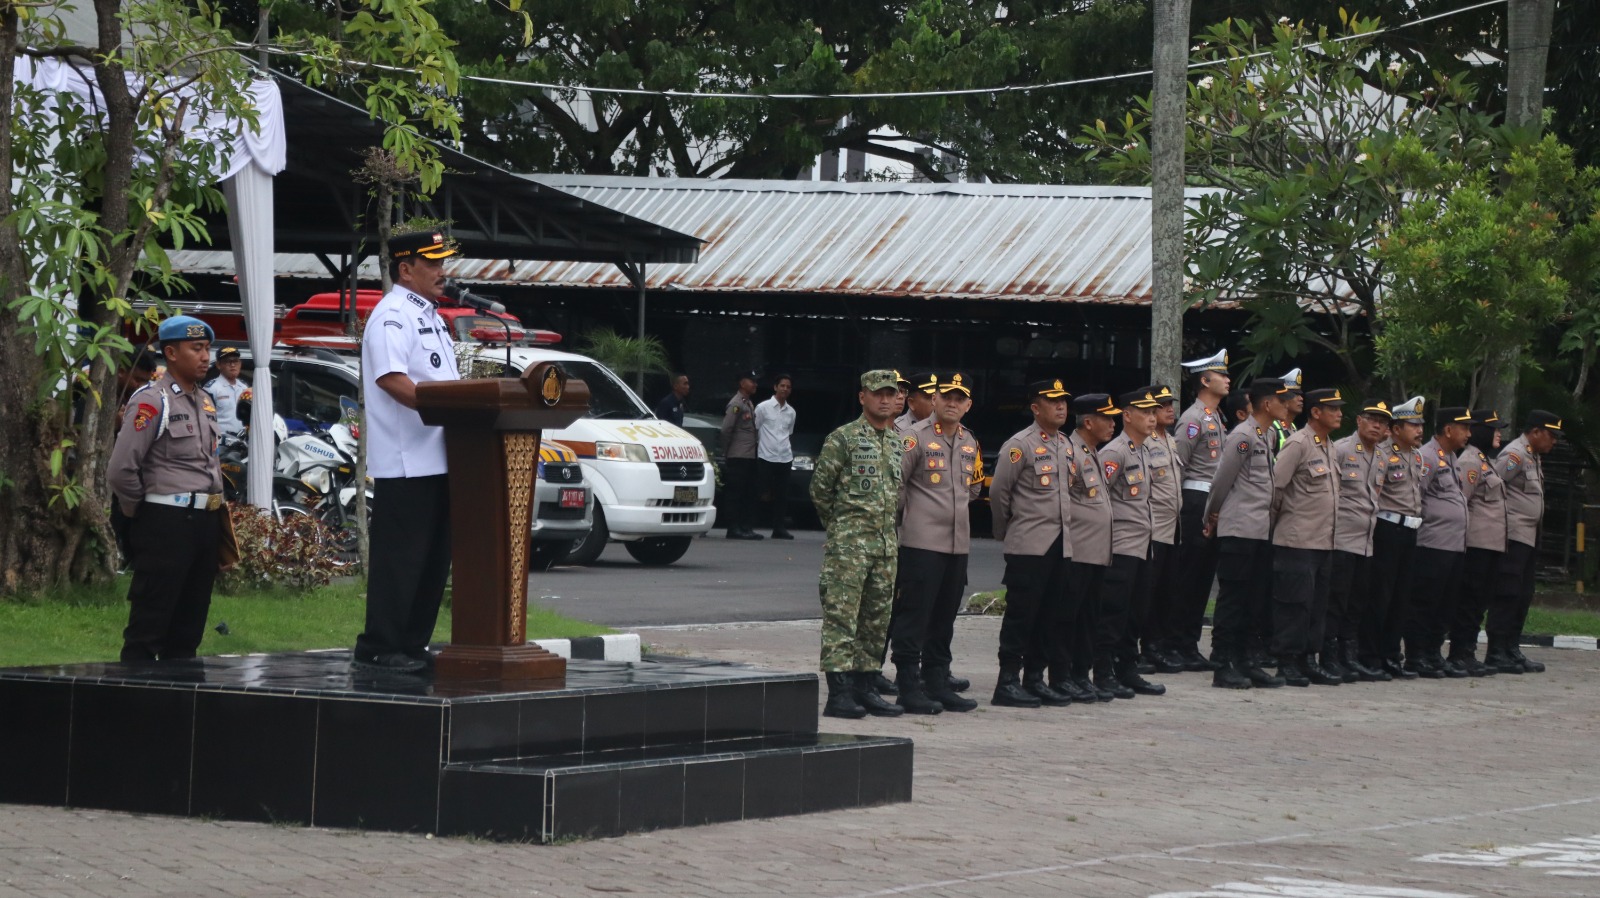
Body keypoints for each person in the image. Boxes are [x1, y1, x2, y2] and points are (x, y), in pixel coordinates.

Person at [352, 231, 461, 674]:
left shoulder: (431, 316)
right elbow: (391, 379)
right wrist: (443, 409)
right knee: (401, 560)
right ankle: (380, 645)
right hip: (406, 462)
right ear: (405, 269)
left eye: (442, 262)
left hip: (440, 458)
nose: (442, 271)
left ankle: (412, 644)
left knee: (432, 561)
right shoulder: (392, 315)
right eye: (432, 263)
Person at [107, 315, 226, 662]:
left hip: (205, 522)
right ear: (171, 353)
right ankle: (134, 694)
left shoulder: (205, 401)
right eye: (196, 348)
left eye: (207, 349)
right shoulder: (153, 400)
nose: (205, 357)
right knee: (150, 624)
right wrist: (139, 510)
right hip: (166, 520)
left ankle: (179, 694)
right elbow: (121, 469)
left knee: (189, 629)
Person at [811, 370, 905, 719]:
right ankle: (839, 694)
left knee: (876, 621)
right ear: (863, 397)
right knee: (842, 619)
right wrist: (841, 530)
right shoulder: (843, 438)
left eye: (890, 394)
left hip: (885, 547)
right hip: (850, 548)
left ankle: (866, 688)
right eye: (877, 393)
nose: (885, 399)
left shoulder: (895, 441)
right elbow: (820, 490)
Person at [889, 372, 982, 714]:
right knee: (914, 616)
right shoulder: (914, 437)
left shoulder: (969, 440)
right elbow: (896, 486)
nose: (952, 403)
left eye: (960, 399)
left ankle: (938, 682)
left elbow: (973, 488)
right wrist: (907, 522)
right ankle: (908, 686)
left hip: (957, 545)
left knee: (944, 619)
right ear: (935, 399)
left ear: (968, 405)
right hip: (921, 544)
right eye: (947, 397)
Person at [989, 379, 1075, 708]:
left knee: (1050, 615)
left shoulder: (1066, 444)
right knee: (1021, 616)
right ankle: (1008, 680)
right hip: (1029, 545)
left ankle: (1035, 678)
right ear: (1036, 408)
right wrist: (1007, 531)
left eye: (1063, 401)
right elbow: (999, 492)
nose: (1061, 406)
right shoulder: (1020, 445)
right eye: (1053, 401)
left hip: (1061, 545)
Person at [1204, 377, 1286, 689]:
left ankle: (1246, 660)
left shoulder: (1266, 435)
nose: (1287, 405)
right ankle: (1222, 663)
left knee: (1254, 599)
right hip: (1239, 528)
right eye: (1282, 400)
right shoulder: (1243, 436)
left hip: (1260, 529)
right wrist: (1211, 515)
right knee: (1233, 599)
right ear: (1267, 403)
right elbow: (1221, 480)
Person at [1269, 387, 1345, 687]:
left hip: (1324, 541)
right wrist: (1278, 526)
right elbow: (1276, 488)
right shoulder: (1298, 443)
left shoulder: (1328, 446)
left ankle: (1307, 660)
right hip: (1296, 539)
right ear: (1316, 412)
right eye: (1333, 408)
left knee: (1317, 605)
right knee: (1294, 604)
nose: (1339, 414)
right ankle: (1287, 662)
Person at [1095, 389, 1166, 696]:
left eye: (1154, 412)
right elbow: (1097, 499)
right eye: (1145, 412)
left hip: (1143, 544)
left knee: (1136, 613)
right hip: (1120, 546)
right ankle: (1103, 672)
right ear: (1127, 416)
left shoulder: (1144, 450)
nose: (1152, 417)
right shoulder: (1115, 452)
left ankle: (1127, 668)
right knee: (1113, 612)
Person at [1166, 349, 1231, 672]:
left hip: (1212, 501)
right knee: (1188, 576)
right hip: (1194, 500)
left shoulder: (1217, 417)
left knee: (1203, 577)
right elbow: (1179, 465)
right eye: (1221, 374)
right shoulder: (1193, 419)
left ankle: (1188, 643)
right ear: (1204, 380)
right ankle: (1175, 642)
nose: (1228, 380)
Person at [1484, 410, 1562, 674]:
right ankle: (1496, 651)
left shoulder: (1533, 455)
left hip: (1529, 535)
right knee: (1507, 592)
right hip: (1513, 535)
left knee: (1523, 593)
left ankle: (1511, 648)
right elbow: (1492, 485)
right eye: (1551, 435)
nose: (1554, 441)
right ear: (1536, 432)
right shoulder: (1515, 454)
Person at [1361, 396, 1429, 680]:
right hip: (1387, 529)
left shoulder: (1417, 455)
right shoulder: (1382, 454)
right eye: (1413, 425)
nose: (1419, 430)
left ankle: (1390, 655)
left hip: (1410, 530)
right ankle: (1370, 656)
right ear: (1397, 429)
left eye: (1420, 425)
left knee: (1401, 597)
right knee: (1380, 595)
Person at [1324, 399, 1392, 682]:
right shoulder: (1340, 449)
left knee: (1356, 603)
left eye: (1382, 422)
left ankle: (1348, 657)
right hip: (1341, 539)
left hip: (1366, 541)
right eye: (1372, 419)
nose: (1377, 425)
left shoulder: (1382, 457)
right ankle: (1328, 657)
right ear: (1359, 421)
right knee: (1335, 602)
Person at [1404, 406, 1473, 679]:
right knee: (1425, 602)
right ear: (1448, 429)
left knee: (1445, 604)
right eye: (1464, 428)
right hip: (1432, 544)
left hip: (1453, 545)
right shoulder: (1428, 457)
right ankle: (1416, 656)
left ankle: (1433, 653)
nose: (1469, 433)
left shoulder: (1452, 457)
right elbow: (1415, 496)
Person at [1065, 393, 1121, 699]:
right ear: (1088, 422)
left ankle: (1080, 673)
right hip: (1078, 550)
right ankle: (1064, 675)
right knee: (1070, 617)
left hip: (1097, 552)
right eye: (1107, 418)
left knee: (1089, 617)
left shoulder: (1093, 452)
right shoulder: (1071, 452)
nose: (1113, 424)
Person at [1449, 409, 1508, 677]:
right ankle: (1460, 653)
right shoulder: (1470, 461)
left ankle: (1468, 651)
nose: (1499, 434)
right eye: (1494, 428)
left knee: (1479, 602)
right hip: (1475, 545)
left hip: (1490, 545)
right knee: (1469, 601)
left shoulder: (1485, 460)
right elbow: (1462, 501)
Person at [1139, 384, 1184, 674]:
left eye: (1170, 404)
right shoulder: (1144, 442)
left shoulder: (1171, 440)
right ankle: (1144, 650)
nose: (1169, 409)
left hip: (1172, 527)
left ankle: (1157, 646)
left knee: (1166, 591)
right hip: (1152, 528)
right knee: (1148, 592)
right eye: (1162, 405)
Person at [719, 373, 763, 540]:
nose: (755, 385)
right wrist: (727, 451)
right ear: (742, 383)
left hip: (749, 456)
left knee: (748, 492)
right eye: (752, 381)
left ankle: (745, 527)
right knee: (735, 493)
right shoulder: (736, 404)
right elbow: (726, 430)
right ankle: (733, 527)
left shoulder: (748, 403)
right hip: (738, 456)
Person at [755, 374, 797, 539]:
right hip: (766, 456)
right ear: (775, 387)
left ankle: (778, 528)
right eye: (782, 386)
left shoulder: (791, 412)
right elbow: (755, 428)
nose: (785, 389)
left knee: (782, 494)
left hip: (784, 457)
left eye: (788, 387)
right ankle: (751, 523)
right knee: (760, 490)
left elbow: (789, 432)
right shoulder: (763, 407)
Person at [204, 346, 251, 438]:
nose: (232, 365)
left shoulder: (244, 387)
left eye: (235, 361)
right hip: (221, 441)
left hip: (243, 440)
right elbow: (205, 419)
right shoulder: (211, 388)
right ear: (218, 365)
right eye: (228, 361)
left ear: (240, 364)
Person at [1271, 367, 1304, 454]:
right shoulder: (1272, 428)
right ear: (1283, 398)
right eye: (1295, 394)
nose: (1301, 398)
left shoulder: (1293, 427)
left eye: (1300, 394)